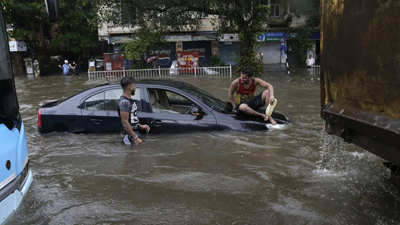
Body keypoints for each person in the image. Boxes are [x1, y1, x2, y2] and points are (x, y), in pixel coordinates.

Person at [118, 77, 150, 145]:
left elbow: (131, 118)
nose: (135, 88)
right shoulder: (124, 103)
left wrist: (140, 126)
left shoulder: (129, 100)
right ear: (130, 87)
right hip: (129, 137)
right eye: (135, 86)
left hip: (133, 135)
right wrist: (135, 138)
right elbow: (125, 122)